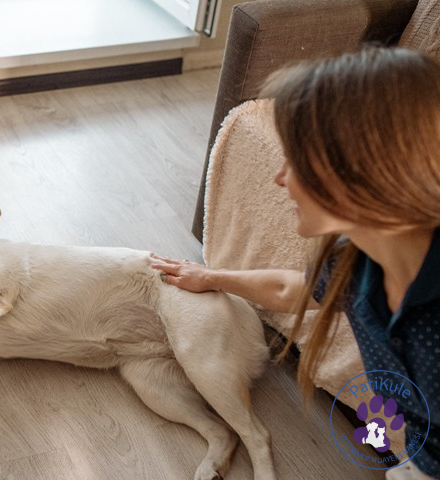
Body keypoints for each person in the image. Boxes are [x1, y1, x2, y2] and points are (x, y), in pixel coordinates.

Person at [150, 47, 440, 479]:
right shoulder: (356, 264)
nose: (280, 177)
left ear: (363, 170)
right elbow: (293, 290)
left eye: (296, 160)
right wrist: (210, 276)